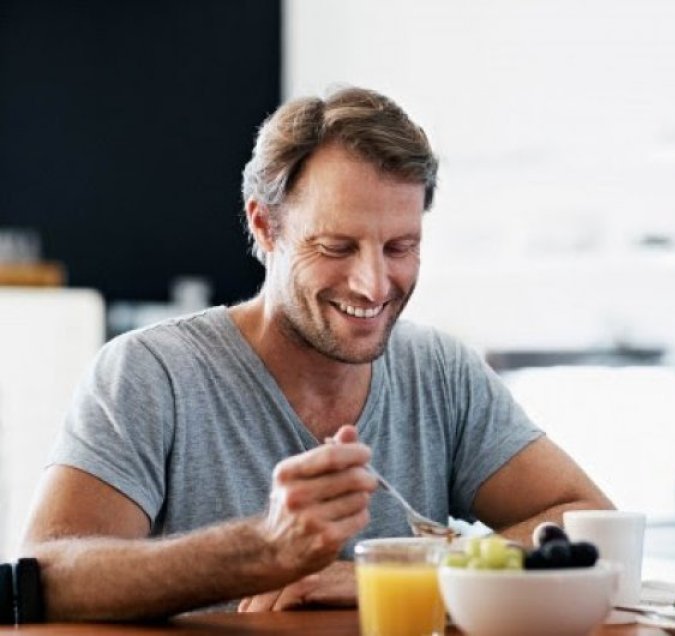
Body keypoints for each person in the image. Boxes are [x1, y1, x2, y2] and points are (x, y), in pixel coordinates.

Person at [21, 86, 613, 621]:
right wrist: (263, 549)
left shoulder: (441, 372)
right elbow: (45, 576)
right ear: (264, 227)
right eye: (337, 246)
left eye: (400, 246)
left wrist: (405, 576)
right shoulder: (152, 373)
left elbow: (587, 521)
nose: (374, 284)